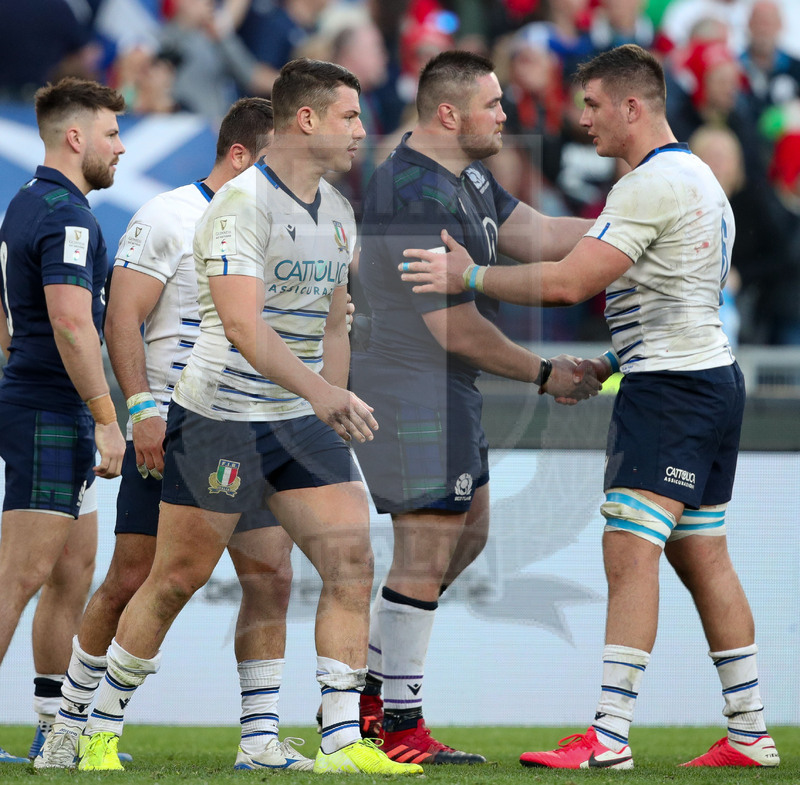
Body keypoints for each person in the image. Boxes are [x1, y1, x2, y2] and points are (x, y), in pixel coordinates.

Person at [400, 43, 779, 769]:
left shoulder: (647, 185)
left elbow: (570, 283)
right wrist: (611, 361)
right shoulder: (697, 177)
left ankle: (608, 735)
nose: (584, 120)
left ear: (633, 107)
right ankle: (750, 731)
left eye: (595, 105)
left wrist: (469, 274)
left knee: (629, 551)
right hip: (707, 376)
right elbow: (675, 300)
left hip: (671, 392)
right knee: (706, 558)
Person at [74, 58, 423, 776]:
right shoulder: (239, 205)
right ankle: (98, 726)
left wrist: (330, 399)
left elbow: (333, 321)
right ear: (307, 120)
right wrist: (322, 393)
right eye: (350, 116)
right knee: (175, 578)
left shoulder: (338, 210)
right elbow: (240, 326)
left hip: (299, 419)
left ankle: (339, 742)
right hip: (221, 418)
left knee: (350, 561)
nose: (362, 130)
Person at [34, 97, 312, 771]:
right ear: (240, 156)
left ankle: (259, 740)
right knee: (135, 576)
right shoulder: (167, 214)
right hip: (177, 424)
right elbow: (121, 318)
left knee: (272, 575)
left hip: (254, 425)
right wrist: (140, 409)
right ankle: (71, 724)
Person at [349, 49, 601, 766]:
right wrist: (546, 373)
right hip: (408, 385)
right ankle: (396, 726)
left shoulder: (469, 176)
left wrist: (631, 227)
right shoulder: (410, 191)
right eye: (492, 104)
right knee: (427, 549)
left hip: (444, 387)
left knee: (470, 535)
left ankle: (372, 697)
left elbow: (540, 234)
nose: (504, 114)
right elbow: (453, 328)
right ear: (448, 112)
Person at [0, 77, 127, 763]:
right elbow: (73, 323)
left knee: (72, 572)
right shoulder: (68, 216)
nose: (121, 146)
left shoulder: (26, 200)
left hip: (47, 401)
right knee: (16, 577)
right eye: (111, 133)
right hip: (52, 408)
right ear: (75, 137)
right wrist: (106, 417)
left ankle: (54, 730)